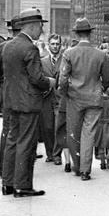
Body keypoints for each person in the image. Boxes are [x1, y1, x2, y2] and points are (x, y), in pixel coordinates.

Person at [0, 9, 54, 198]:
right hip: (28, 102)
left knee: (12, 141)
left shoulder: (8, 46)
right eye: (40, 26)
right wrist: (50, 82)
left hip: (11, 101)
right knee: (26, 143)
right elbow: (37, 78)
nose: (41, 30)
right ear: (31, 26)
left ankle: (7, 183)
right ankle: (22, 186)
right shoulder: (30, 48)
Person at [59, 18, 109, 181]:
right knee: (89, 133)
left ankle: (77, 166)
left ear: (77, 34)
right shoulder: (100, 54)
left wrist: (64, 92)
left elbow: (62, 78)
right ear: (90, 34)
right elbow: (107, 77)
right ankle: (85, 170)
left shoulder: (69, 53)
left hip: (74, 98)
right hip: (94, 98)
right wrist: (101, 87)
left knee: (73, 133)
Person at [0, 16, 21, 176]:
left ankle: (4, 170)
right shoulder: (26, 46)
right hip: (22, 97)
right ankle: (16, 170)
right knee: (21, 134)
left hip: (6, 96)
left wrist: (4, 86)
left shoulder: (1, 47)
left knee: (7, 131)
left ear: (10, 29)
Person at [39, 33, 63, 165]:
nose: (55, 46)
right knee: (47, 127)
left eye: (57, 44)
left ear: (61, 45)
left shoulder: (65, 59)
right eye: (53, 44)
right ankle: (49, 153)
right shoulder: (42, 61)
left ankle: (57, 155)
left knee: (58, 126)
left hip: (60, 98)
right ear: (48, 45)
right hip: (46, 98)